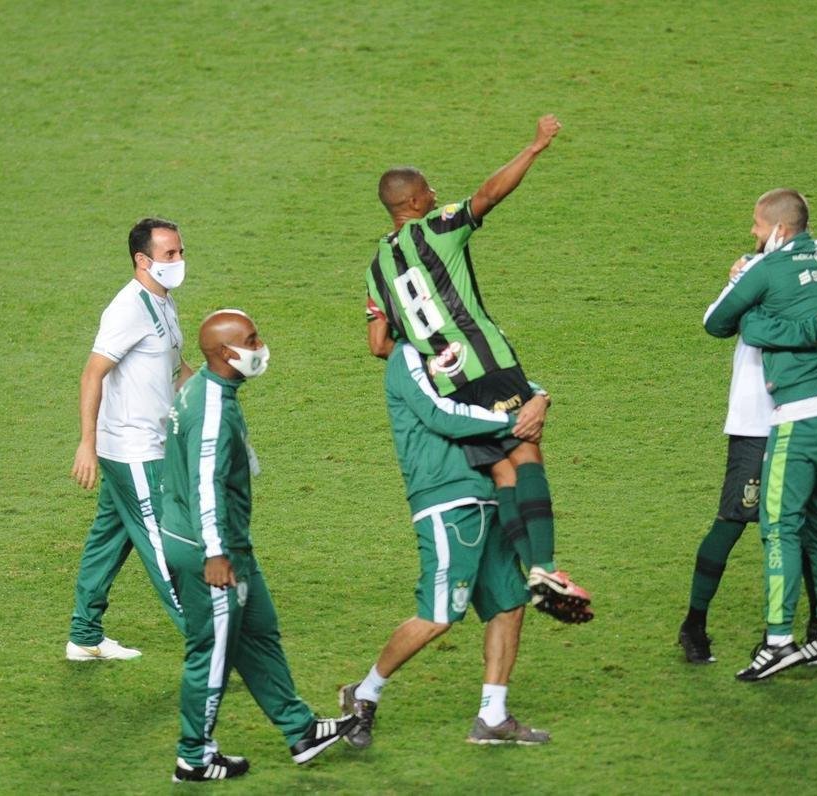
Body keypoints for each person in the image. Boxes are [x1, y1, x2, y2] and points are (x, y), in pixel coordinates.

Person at [364, 115, 590, 622]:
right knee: (527, 452)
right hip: (489, 365)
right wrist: (533, 148)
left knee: (502, 470)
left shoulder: (376, 266)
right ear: (415, 203)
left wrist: (426, 339)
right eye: (428, 189)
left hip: (447, 382)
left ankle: (533, 568)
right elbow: (488, 195)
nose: (435, 192)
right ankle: (545, 565)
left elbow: (378, 343)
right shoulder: (437, 228)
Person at [160, 310, 357, 783]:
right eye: (251, 340)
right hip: (209, 549)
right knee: (211, 655)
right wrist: (215, 554)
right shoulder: (210, 410)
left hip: (228, 544)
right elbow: (206, 486)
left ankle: (301, 730)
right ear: (226, 353)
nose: (260, 346)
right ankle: (194, 756)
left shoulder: (212, 390)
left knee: (259, 632)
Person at [704, 188, 817, 681]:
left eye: (758, 227)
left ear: (780, 230)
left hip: (799, 420)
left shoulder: (767, 269)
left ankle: (780, 640)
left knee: (780, 527)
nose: (753, 235)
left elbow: (717, 322)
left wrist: (750, 296)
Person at [340, 340, 555, 749]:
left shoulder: (458, 341)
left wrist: (540, 396)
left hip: (490, 491)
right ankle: (363, 694)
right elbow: (440, 415)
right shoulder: (406, 356)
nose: (372, 333)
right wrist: (514, 422)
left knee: (509, 602)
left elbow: (502, 382)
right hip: (446, 495)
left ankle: (492, 715)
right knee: (440, 614)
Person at [64, 218, 194, 661]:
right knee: (165, 543)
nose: (179, 261)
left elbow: (177, 370)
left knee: (109, 537)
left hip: (151, 443)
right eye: (170, 254)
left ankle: (84, 635)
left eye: (180, 251)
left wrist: (219, 403)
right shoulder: (128, 309)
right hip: (133, 449)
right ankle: (209, 646)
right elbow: (92, 374)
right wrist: (87, 443)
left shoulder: (164, 301)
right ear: (143, 260)